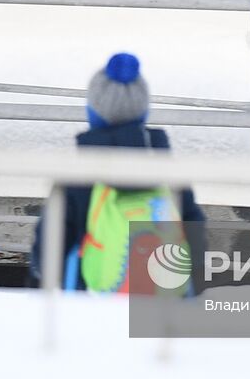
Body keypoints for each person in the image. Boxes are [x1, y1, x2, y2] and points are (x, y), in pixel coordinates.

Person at [28, 53, 207, 294]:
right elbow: (195, 237)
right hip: (162, 308)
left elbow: (47, 256)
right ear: (144, 112)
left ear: (93, 113)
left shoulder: (77, 177)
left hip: (95, 309)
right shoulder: (167, 171)